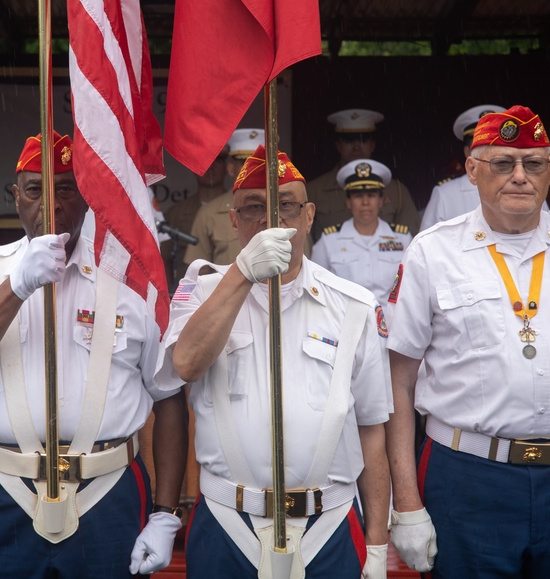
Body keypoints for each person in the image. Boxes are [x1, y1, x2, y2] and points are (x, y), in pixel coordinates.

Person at [384, 106, 550, 578]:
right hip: (468, 477)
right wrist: (405, 503)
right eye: (503, 163)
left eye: (534, 163)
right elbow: (397, 382)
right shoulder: (433, 252)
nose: (519, 177)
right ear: (472, 170)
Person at [0, 132, 188, 578]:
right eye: (35, 189)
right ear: (15, 197)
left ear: (85, 198)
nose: (51, 203)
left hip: (107, 493)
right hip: (6, 490)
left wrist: (165, 513)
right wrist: (17, 287)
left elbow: (168, 397)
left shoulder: (128, 277)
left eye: (66, 188)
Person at [160, 145, 393, 578]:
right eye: (253, 208)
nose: (270, 220)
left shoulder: (354, 305)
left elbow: (372, 430)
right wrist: (243, 274)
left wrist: (377, 545)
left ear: (308, 216)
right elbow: (186, 364)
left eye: (285, 206)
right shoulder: (202, 290)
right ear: (232, 220)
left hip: (329, 524)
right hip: (230, 522)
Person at [311, 158, 412, 315]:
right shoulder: (329, 241)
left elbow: (412, 289)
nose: (365, 202)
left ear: (381, 201)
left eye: (371, 195)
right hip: (344, 324)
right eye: (358, 196)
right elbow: (315, 288)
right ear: (348, 202)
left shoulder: (402, 239)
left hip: (392, 325)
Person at [306, 109, 420, 242]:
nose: (356, 147)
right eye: (349, 140)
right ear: (338, 146)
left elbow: (412, 241)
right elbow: (304, 241)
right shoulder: (314, 191)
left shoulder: (397, 191)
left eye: (363, 139)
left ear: (372, 145)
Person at [183, 128, 265, 268]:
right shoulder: (208, 213)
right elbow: (197, 273)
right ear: (231, 169)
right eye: (245, 163)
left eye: (260, 163)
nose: (252, 170)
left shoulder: (286, 208)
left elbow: (302, 264)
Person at [419, 104, 505, 232]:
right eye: (480, 145)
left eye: (495, 144)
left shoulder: (526, 187)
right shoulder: (445, 195)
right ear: (466, 152)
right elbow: (426, 249)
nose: (489, 151)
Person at [161, 147, 229, 287]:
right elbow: (164, 259)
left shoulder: (239, 209)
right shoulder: (176, 213)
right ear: (193, 168)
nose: (211, 167)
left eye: (218, 161)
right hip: (188, 295)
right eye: (204, 161)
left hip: (228, 292)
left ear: (228, 167)